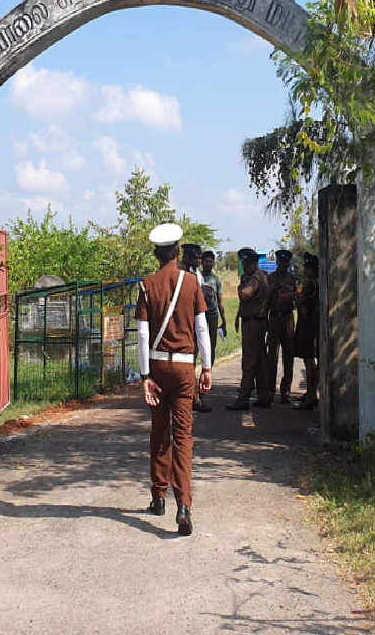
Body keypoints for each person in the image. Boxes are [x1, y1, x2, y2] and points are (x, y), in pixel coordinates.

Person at [137, 223, 213, 536]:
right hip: (184, 370)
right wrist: (206, 367)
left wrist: (144, 376)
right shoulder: (193, 283)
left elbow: (142, 334)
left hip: (156, 368)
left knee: (159, 433)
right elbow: (202, 329)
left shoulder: (146, 285)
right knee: (183, 437)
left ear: (156, 253)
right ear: (178, 252)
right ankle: (183, 504)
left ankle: (158, 497)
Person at [227, 247, 270, 411]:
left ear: (253, 263)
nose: (244, 266)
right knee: (259, 362)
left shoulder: (254, 279)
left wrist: (240, 286)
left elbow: (244, 295)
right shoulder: (260, 276)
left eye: (246, 263)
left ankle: (243, 398)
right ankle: (264, 396)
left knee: (249, 362)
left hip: (253, 324)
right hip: (256, 322)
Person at [264, 249, 299, 405]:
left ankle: (285, 392)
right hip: (274, 318)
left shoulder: (293, 280)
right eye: (280, 261)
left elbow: (297, 300)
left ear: (288, 263)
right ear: (277, 262)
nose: (283, 264)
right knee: (271, 357)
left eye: (286, 262)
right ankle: (270, 391)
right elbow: (265, 301)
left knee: (288, 356)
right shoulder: (270, 279)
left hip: (287, 318)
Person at [181, 243, 212, 414]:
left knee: (191, 360)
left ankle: (193, 396)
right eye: (192, 257)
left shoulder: (196, 273)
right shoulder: (182, 273)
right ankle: (193, 398)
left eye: (197, 257)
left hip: (196, 319)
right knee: (188, 361)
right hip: (185, 323)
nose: (196, 260)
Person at [293, 253, 321, 410]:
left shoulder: (311, 284)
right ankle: (310, 394)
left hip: (308, 325)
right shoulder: (319, 283)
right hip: (313, 323)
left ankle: (310, 395)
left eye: (308, 267)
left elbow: (298, 302)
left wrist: (296, 295)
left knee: (309, 361)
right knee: (311, 361)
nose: (305, 270)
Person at [199, 250, 227, 364]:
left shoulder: (216, 279)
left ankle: (208, 369)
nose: (208, 264)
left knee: (211, 343)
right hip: (200, 314)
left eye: (211, 262)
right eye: (206, 261)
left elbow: (220, 301)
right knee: (198, 342)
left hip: (212, 315)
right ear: (202, 262)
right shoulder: (197, 277)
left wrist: (224, 320)